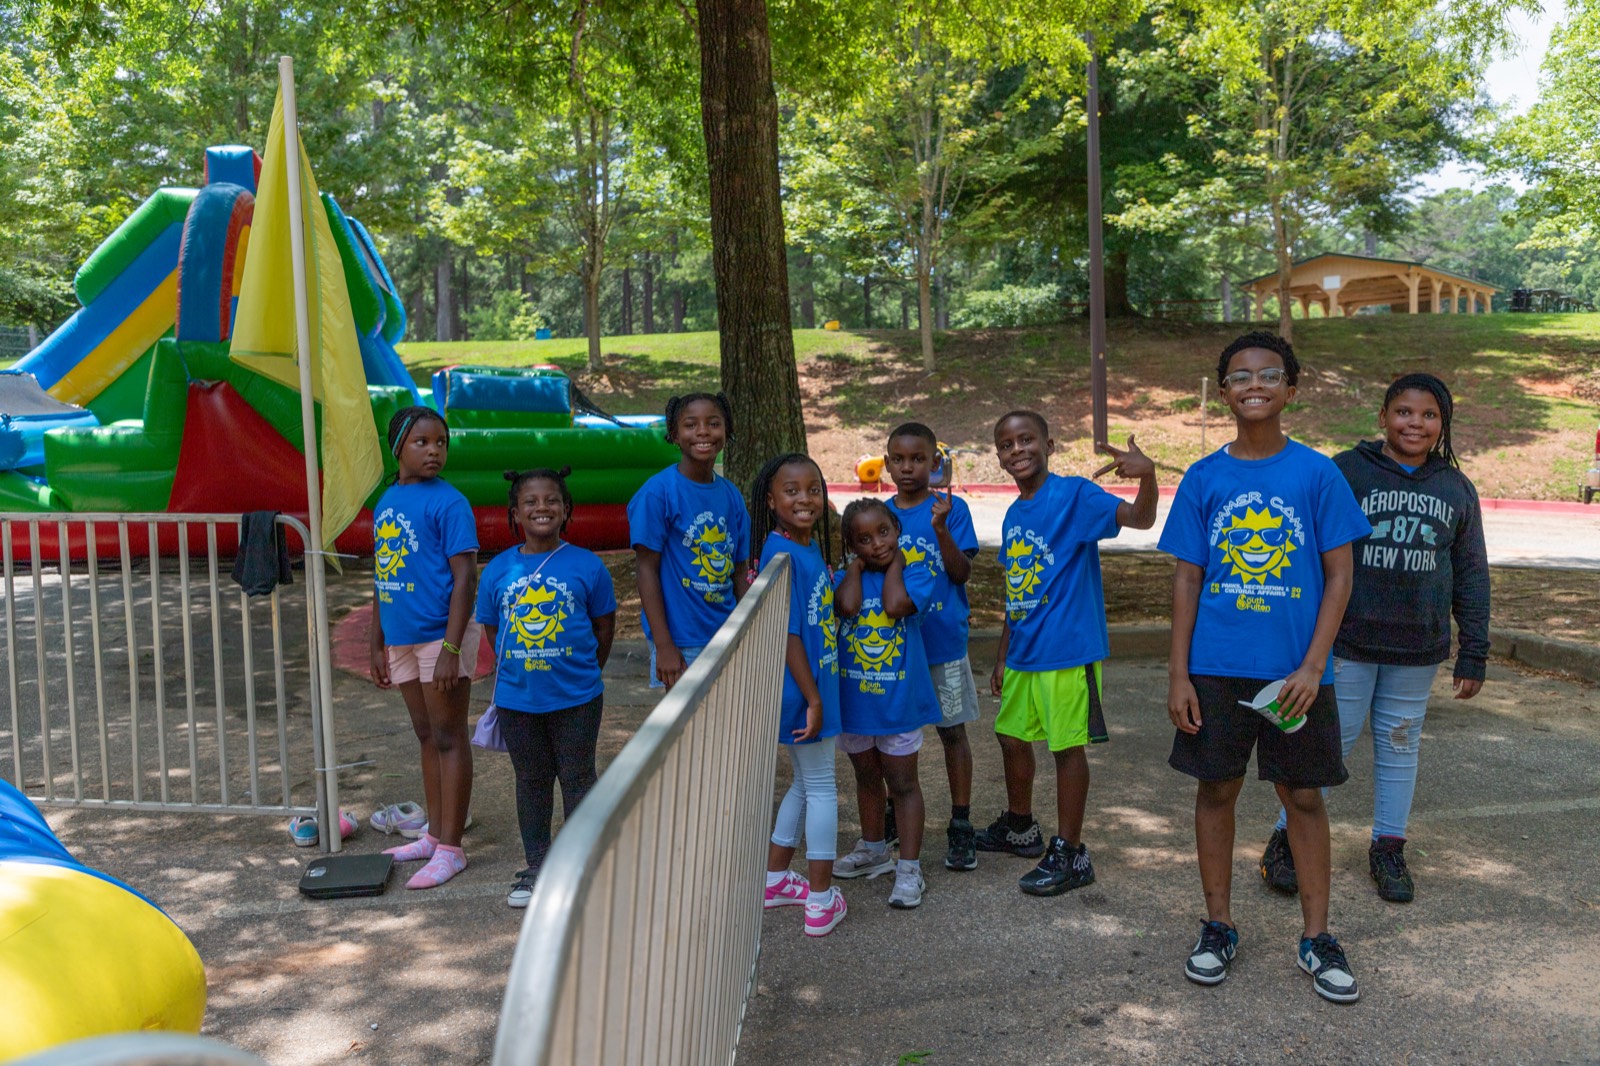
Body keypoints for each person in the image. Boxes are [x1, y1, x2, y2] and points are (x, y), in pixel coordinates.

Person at [1160, 331, 1371, 1004]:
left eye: (1269, 375)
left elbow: (1340, 578)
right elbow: (1188, 581)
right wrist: (1178, 675)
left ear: (1291, 390)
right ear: (1222, 392)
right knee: (1216, 788)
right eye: (1240, 376)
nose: (1255, 384)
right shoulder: (1204, 477)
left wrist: (1314, 665)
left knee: (1303, 796)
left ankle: (1316, 937)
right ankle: (1219, 925)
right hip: (1217, 669)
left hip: (1296, 674)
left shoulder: (1316, 474)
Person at [1259, 372, 1488, 904]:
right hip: (1348, 642)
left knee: (1399, 747)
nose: (1416, 422)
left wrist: (1473, 649)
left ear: (1442, 425)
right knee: (1324, 746)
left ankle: (1388, 846)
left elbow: (1472, 572)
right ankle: (1284, 840)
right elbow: (1307, 554)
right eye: (1404, 412)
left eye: (1429, 415)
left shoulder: (1455, 488)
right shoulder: (1347, 471)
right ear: (1382, 417)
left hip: (1417, 649)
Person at [978, 411, 1157, 898]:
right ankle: (1020, 827)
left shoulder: (1074, 495)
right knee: (1011, 738)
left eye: (1026, 439)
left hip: (1067, 652)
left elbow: (1140, 519)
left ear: (1050, 445)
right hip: (1024, 655)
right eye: (1006, 443)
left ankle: (1071, 851)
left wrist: (1148, 477)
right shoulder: (1015, 514)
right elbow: (1017, 591)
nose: (1016, 450)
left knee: (1065, 747)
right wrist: (1002, 655)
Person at [477, 467, 617, 908]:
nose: (542, 508)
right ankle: (536, 867)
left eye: (551, 500)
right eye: (531, 502)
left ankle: (578, 867)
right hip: (518, 700)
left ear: (566, 509)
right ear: (515, 512)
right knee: (532, 780)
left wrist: (581, 673)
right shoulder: (498, 569)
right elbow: (492, 631)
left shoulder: (588, 565)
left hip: (577, 698)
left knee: (577, 779)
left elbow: (603, 627)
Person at [369, 406, 480, 890]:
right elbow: (382, 577)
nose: (434, 451)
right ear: (398, 449)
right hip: (402, 638)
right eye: (422, 443)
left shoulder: (450, 503)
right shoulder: (386, 502)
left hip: (441, 636)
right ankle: (433, 836)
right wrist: (376, 641)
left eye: (440, 442)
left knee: (449, 735)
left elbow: (465, 578)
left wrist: (453, 649)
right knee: (425, 734)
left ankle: (452, 849)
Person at [882, 423, 984, 871]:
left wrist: (940, 529)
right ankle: (894, 811)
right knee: (894, 736)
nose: (908, 468)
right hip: (895, 648)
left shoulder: (951, 509)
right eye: (899, 460)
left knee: (952, 732)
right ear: (886, 464)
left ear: (934, 463)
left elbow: (961, 573)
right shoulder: (878, 515)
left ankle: (960, 824)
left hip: (943, 643)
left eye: (918, 459)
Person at [753, 453, 847, 937]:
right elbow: (788, 635)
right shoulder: (783, 555)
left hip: (808, 687)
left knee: (804, 784)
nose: (805, 498)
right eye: (791, 491)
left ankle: (774, 881)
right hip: (802, 691)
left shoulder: (802, 550)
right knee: (823, 787)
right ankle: (819, 900)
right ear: (771, 501)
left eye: (813, 489)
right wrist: (813, 698)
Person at [830, 499, 941, 909]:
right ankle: (874, 849)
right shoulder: (846, 576)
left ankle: (909, 869)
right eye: (864, 540)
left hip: (898, 704)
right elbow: (846, 606)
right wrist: (856, 569)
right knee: (865, 778)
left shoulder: (916, 571)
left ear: (897, 529)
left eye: (883, 532)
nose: (877, 544)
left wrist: (895, 563)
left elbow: (896, 606)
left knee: (903, 784)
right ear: (851, 546)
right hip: (856, 705)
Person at [628, 392, 750, 690]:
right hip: (682, 644)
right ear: (674, 434)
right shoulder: (658, 493)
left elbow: (740, 570)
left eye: (713, 423)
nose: (703, 432)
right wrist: (664, 645)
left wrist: (749, 632)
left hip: (727, 636)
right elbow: (646, 570)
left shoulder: (731, 495)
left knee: (726, 731)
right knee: (689, 735)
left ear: (727, 431)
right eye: (690, 424)